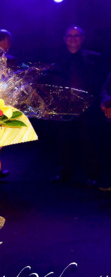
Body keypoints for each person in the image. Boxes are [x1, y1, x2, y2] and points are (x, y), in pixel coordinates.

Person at [51, 26, 106, 186]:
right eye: (69, 36)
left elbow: (100, 82)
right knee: (63, 141)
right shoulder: (56, 59)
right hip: (64, 108)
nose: (73, 39)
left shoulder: (95, 59)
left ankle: (93, 175)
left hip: (87, 108)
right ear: (64, 38)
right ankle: (64, 173)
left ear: (82, 38)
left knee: (89, 141)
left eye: (76, 36)